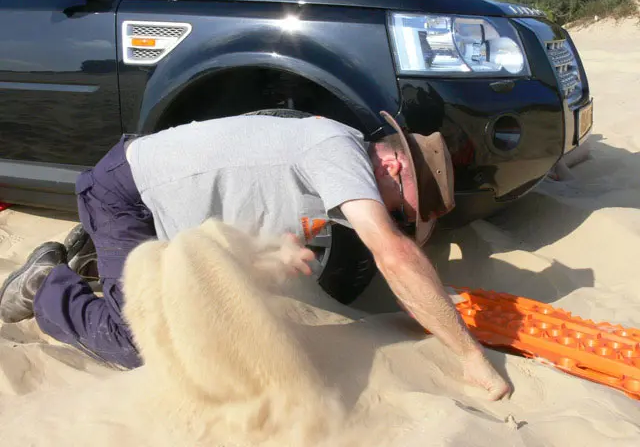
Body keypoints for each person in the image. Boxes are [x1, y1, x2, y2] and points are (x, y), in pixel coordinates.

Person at [0, 110, 511, 400]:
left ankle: (101, 257)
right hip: (126, 195)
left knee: (217, 322)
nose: (395, 215)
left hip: (166, 214)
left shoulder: (331, 177)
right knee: (139, 343)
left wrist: (278, 253)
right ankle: (46, 284)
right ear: (395, 164)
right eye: (404, 208)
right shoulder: (339, 151)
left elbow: (287, 230)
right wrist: (469, 356)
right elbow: (392, 255)